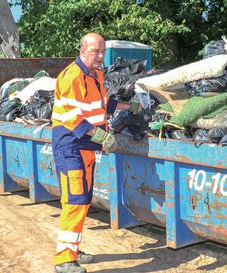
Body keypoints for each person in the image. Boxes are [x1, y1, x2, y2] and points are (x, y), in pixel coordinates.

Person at [50, 33, 139, 273]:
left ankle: (73, 249)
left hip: (87, 148)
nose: (99, 55)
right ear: (82, 51)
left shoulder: (96, 75)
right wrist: (104, 137)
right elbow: (73, 120)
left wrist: (130, 106)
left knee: (84, 201)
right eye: (95, 51)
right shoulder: (71, 77)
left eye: (102, 50)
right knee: (75, 201)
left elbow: (102, 105)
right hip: (71, 148)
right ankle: (64, 260)